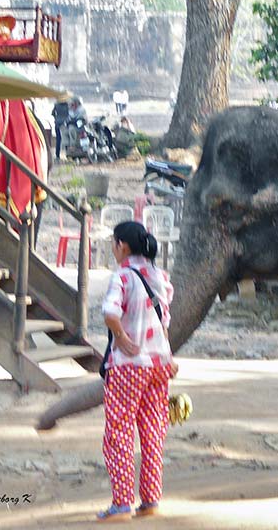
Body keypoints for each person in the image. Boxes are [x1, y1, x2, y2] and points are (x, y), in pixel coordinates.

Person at [97, 221, 177, 522]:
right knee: (153, 431)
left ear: (123, 246)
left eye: (114, 243)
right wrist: (166, 355)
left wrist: (121, 337)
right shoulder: (159, 276)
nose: (113, 249)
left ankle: (121, 502)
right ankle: (151, 499)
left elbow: (109, 312)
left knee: (118, 432)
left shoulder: (122, 276)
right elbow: (164, 322)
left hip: (128, 367)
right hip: (158, 365)